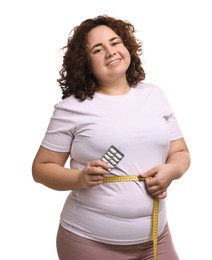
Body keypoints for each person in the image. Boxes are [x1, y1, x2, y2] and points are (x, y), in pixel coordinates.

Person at [32, 15, 191, 260]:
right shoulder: (72, 108)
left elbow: (180, 152)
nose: (110, 52)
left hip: (156, 240)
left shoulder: (155, 95)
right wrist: (80, 178)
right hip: (88, 243)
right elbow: (41, 168)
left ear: (127, 46)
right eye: (98, 49)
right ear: (85, 62)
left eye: (115, 42)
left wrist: (173, 171)